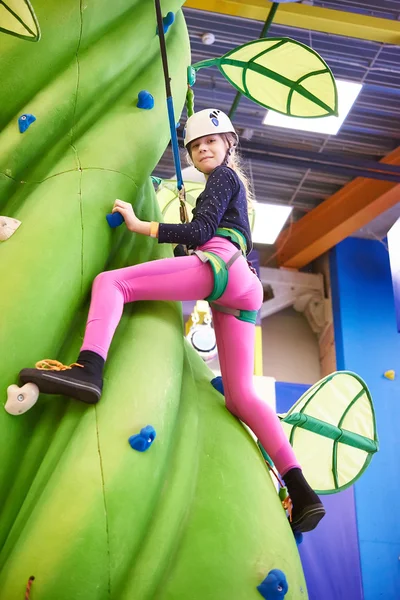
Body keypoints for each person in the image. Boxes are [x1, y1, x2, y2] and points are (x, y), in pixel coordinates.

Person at [19, 108, 325, 533]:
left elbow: (200, 234)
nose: (203, 150)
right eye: (196, 147)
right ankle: (301, 489)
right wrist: (187, 243)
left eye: (211, 143)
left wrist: (141, 225)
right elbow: (207, 234)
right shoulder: (231, 189)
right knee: (240, 396)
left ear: (229, 145)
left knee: (112, 283)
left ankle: (89, 369)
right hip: (243, 286)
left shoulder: (222, 178)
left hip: (221, 268)